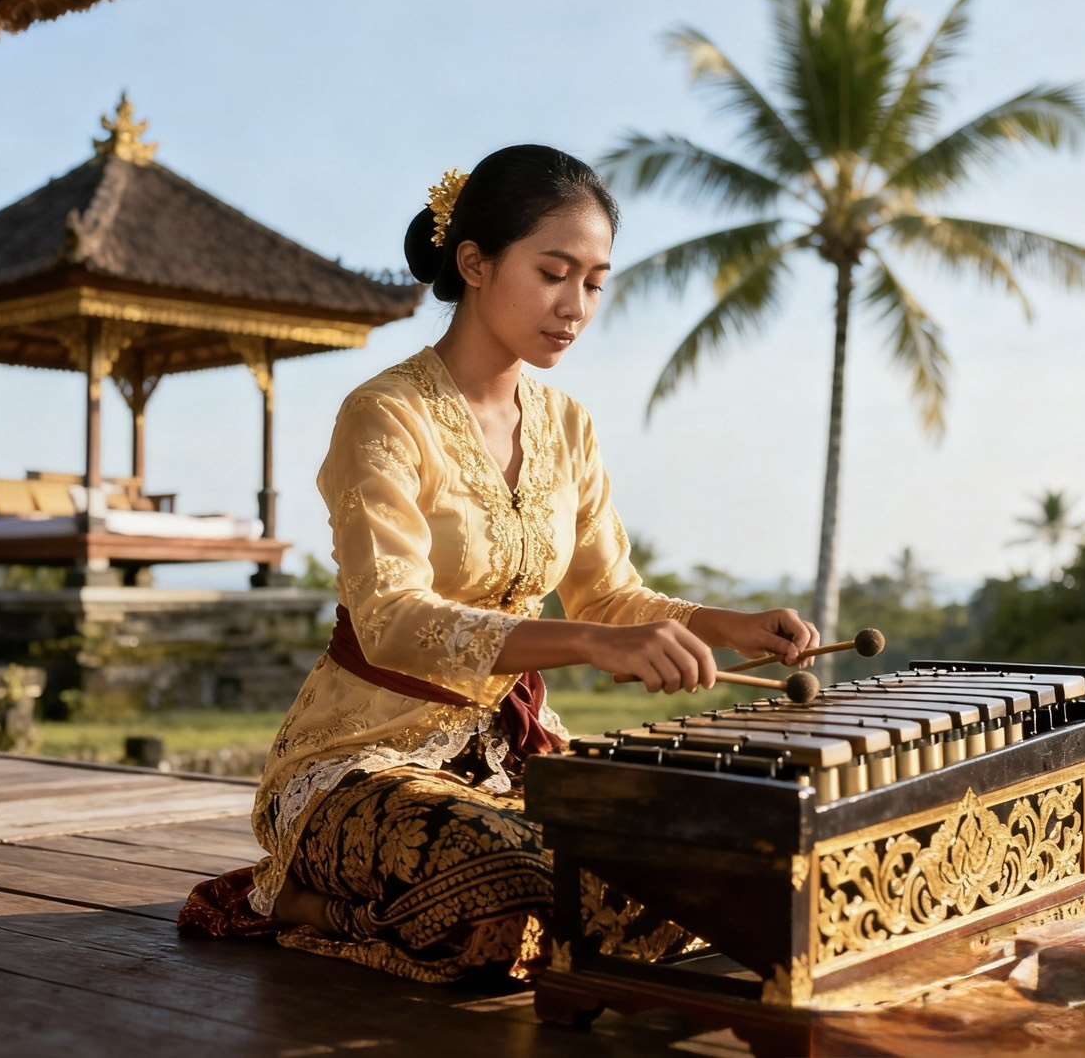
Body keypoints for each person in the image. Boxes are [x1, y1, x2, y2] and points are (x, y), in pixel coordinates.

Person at [177, 144, 820, 982]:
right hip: (363, 759)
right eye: (554, 272)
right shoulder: (385, 415)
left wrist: (723, 625)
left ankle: (408, 912)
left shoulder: (568, 426)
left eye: (594, 281)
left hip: (510, 760)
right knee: (518, 892)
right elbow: (394, 620)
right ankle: (297, 895)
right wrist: (589, 643)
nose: (576, 305)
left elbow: (610, 592)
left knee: (718, 864)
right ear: (474, 263)